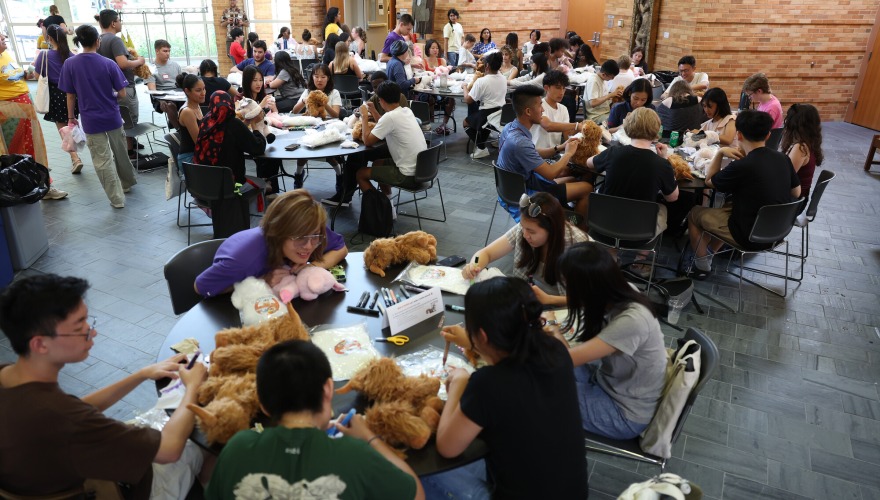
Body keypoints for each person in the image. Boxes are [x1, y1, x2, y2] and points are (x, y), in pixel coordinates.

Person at [0, 274, 207, 498]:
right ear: (40, 344)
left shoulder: (10, 377)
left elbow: (74, 408)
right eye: (80, 326)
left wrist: (140, 374)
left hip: (46, 472)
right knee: (202, 445)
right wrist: (193, 386)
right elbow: (169, 449)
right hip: (118, 489)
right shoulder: (67, 420)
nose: (93, 331)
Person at [428, 277, 588, 499]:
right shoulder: (556, 351)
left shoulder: (488, 383)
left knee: (416, 473)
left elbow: (447, 447)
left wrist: (459, 384)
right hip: (573, 492)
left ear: (482, 336)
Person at [204, 340, 423, 499]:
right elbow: (416, 494)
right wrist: (369, 437)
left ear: (262, 404)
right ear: (328, 389)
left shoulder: (238, 448)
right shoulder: (354, 455)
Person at [545, 242, 667, 440]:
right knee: (543, 373)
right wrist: (550, 302)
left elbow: (565, 360)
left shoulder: (632, 321)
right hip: (608, 382)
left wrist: (551, 326)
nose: (568, 292)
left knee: (534, 389)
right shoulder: (621, 291)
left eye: (569, 286)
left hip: (623, 413)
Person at [687, 110, 801, 277]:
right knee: (730, 205)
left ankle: (701, 267)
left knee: (694, 214)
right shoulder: (783, 158)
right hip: (779, 231)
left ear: (738, 135)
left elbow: (709, 181)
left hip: (749, 236)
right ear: (768, 135)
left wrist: (720, 153)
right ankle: (709, 253)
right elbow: (796, 192)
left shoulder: (742, 165)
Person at [195, 190, 348, 296]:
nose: (309, 245)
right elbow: (201, 288)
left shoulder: (311, 229)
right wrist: (261, 281)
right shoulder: (245, 260)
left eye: (315, 236)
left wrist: (311, 268)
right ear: (278, 233)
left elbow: (341, 248)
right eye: (299, 238)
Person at [59, 25, 137, 208]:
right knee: (120, 152)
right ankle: (127, 183)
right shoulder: (108, 63)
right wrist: (111, 96)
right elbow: (123, 93)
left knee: (102, 160)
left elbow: (70, 95)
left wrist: (71, 117)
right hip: (113, 117)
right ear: (97, 41)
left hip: (90, 120)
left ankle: (116, 199)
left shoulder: (70, 64)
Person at [463, 192, 589, 302]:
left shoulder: (577, 245)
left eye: (532, 232)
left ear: (551, 229)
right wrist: (474, 265)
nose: (525, 234)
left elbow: (590, 298)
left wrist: (550, 300)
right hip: (534, 297)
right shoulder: (525, 228)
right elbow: (487, 253)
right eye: (522, 227)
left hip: (567, 306)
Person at [497, 86, 593, 220]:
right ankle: (577, 231)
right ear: (528, 111)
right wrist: (568, 153)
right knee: (587, 188)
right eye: (540, 105)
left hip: (512, 188)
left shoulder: (510, 127)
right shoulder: (520, 142)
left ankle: (565, 217)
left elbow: (533, 152)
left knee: (572, 178)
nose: (542, 110)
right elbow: (551, 174)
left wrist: (559, 148)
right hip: (525, 194)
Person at [321, 71, 408, 208]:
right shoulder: (378, 99)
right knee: (359, 155)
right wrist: (363, 113)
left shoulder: (396, 100)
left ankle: (354, 197)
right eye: (374, 87)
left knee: (359, 154)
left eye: (379, 86)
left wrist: (367, 117)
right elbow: (384, 122)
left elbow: (385, 123)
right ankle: (346, 194)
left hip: (394, 147)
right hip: (391, 142)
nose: (377, 91)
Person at [587, 107, 679, 236]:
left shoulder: (613, 152)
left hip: (604, 223)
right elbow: (672, 197)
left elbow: (589, 163)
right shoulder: (662, 164)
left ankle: (611, 253)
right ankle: (641, 256)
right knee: (662, 208)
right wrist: (665, 159)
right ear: (657, 130)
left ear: (629, 126)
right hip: (640, 229)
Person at [355, 81, 427, 197]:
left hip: (408, 176)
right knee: (377, 163)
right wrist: (373, 110)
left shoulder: (390, 117)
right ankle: (389, 205)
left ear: (381, 100)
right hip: (422, 171)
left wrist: (364, 116)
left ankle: (381, 206)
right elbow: (384, 123)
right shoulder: (406, 111)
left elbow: (367, 141)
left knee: (360, 174)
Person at [34, 23, 82, 176]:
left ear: (48, 38)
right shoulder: (72, 55)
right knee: (72, 123)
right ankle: (77, 153)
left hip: (55, 94)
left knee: (63, 128)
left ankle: (75, 158)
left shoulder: (44, 55)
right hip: (73, 94)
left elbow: (37, 76)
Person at [96, 9, 145, 157]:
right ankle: (129, 150)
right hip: (124, 86)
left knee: (121, 116)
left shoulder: (98, 40)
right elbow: (123, 63)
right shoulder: (115, 40)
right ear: (113, 23)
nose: (120, 23)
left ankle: (130, 143)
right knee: (130, 117)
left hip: (108, 87)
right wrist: (139, 61)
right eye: (119, 20)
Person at [193, 90, 266, 186]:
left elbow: (231, 134)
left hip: (203, 185)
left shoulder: (206, 121)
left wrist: (245, 123)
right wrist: (254, 124)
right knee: (264, 183)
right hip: (230, 186)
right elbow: (258, 148)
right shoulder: (233, 124)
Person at [781, 103, 824, 212]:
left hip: (793, 203)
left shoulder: (800, 148)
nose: (785, 122)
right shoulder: (810, 142)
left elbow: (784, 177)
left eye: (788, 119)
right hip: (798, 199)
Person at [464, 52, 507, 159]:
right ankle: (482, 140)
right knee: (478, 118)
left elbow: (468, 100)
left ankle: (481, 147)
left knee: (465, 123)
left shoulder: (482, 81)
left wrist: (464, 87)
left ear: (487, 66)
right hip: (502, 112)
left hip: (488, 113)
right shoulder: (503, 78)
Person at [530, 70, 587, 149]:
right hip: (537, 154)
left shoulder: (563, 109)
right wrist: (577, 125)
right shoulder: (539, 106)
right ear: (546, 87)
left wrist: (582, 129)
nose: (562, 92)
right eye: (558, 88)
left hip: (554, 152)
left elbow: (567, 135)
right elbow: (548, 126)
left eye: (564, 88)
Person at [418, 39, 455, 135]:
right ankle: (430, 122)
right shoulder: (423, 61)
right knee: (428, 97)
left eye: (437, 48)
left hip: (442, 86)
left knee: (451, 99)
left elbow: (445, 75)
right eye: (433, 48)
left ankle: (444, 124)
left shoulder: (442, 61)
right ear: (428, 49)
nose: (435, 50)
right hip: (429, 88)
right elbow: (423, 76)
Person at [175, 73, 205, 169]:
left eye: (204, 89)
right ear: (187, 91)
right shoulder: (188, 111)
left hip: (196, 153)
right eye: (198, 90)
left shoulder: (196, 105)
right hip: (189, 158)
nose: (203, 93)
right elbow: (198, 142)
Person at [584, 59, 622, 124]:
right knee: (618, 120)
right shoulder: (594, 81)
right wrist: (610, 95)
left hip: (604, 112)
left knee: (623, 114)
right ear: (604, 74)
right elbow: (593, 103)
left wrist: (614, 95)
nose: (612, 79)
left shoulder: (603, 80)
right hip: (596, 115)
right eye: (612, 77)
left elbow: (602, 96)